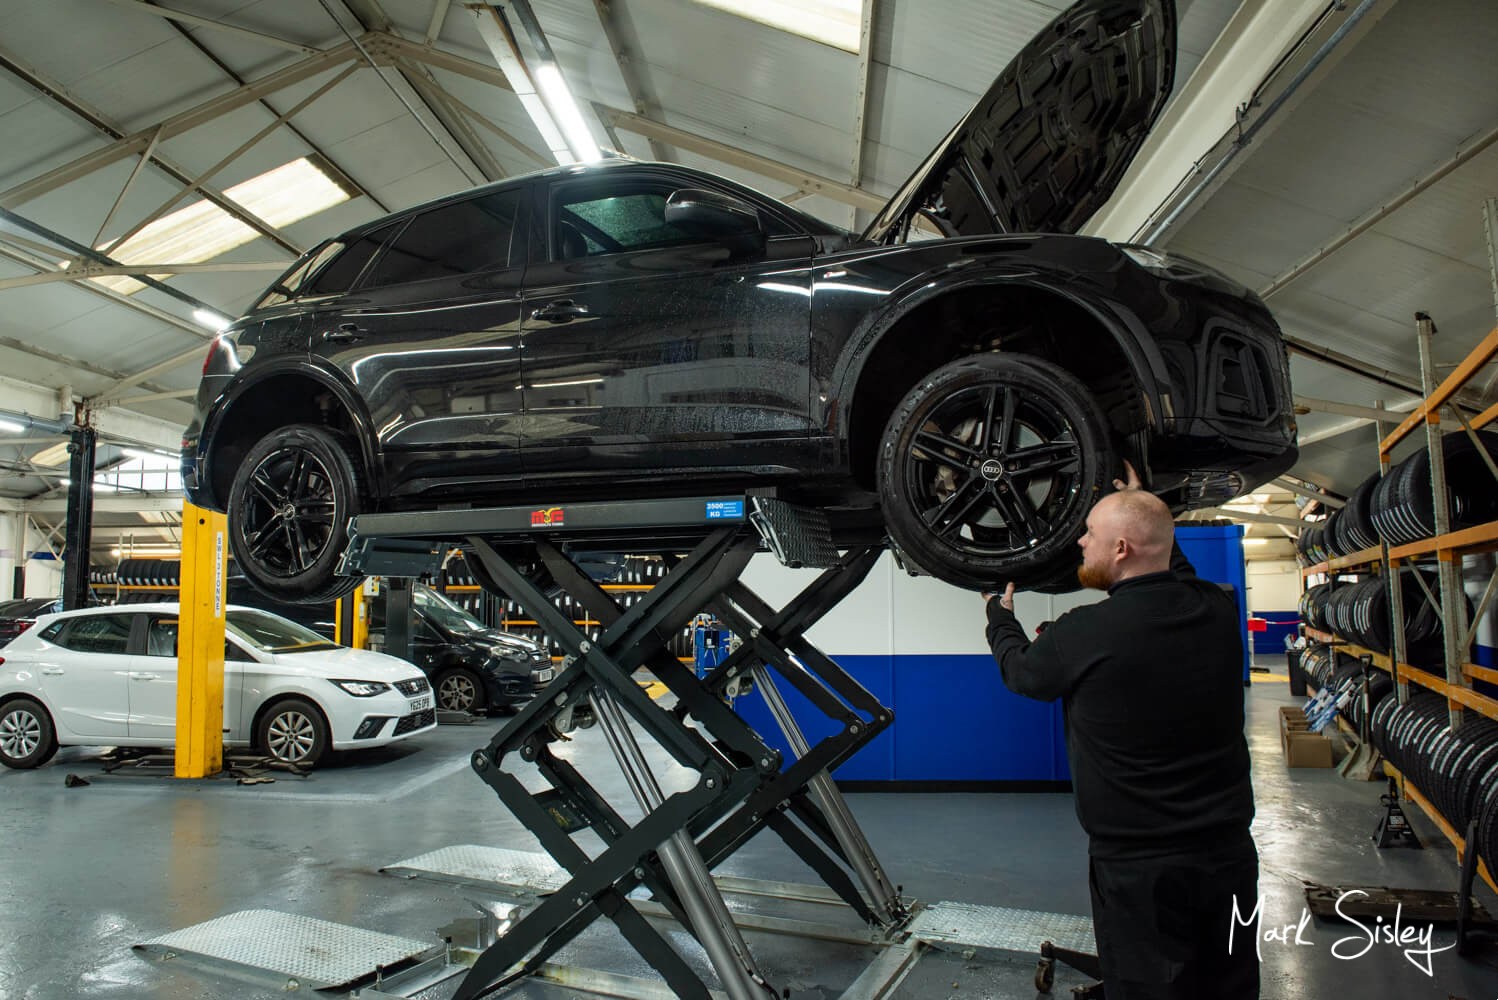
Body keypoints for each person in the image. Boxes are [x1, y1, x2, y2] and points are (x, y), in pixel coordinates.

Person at [984, 462, 1258, 1000]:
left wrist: (999, 619)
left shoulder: (1083, 631)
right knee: (1230, 982)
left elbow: (1021, 674)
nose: (1081, 541)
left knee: (1147, 986)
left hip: (1139, 869)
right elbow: (1175, 569)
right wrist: (1144, 503)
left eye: (1090, 533)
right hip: (1228, 853)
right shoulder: (1217, 608)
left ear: (1122, 549)